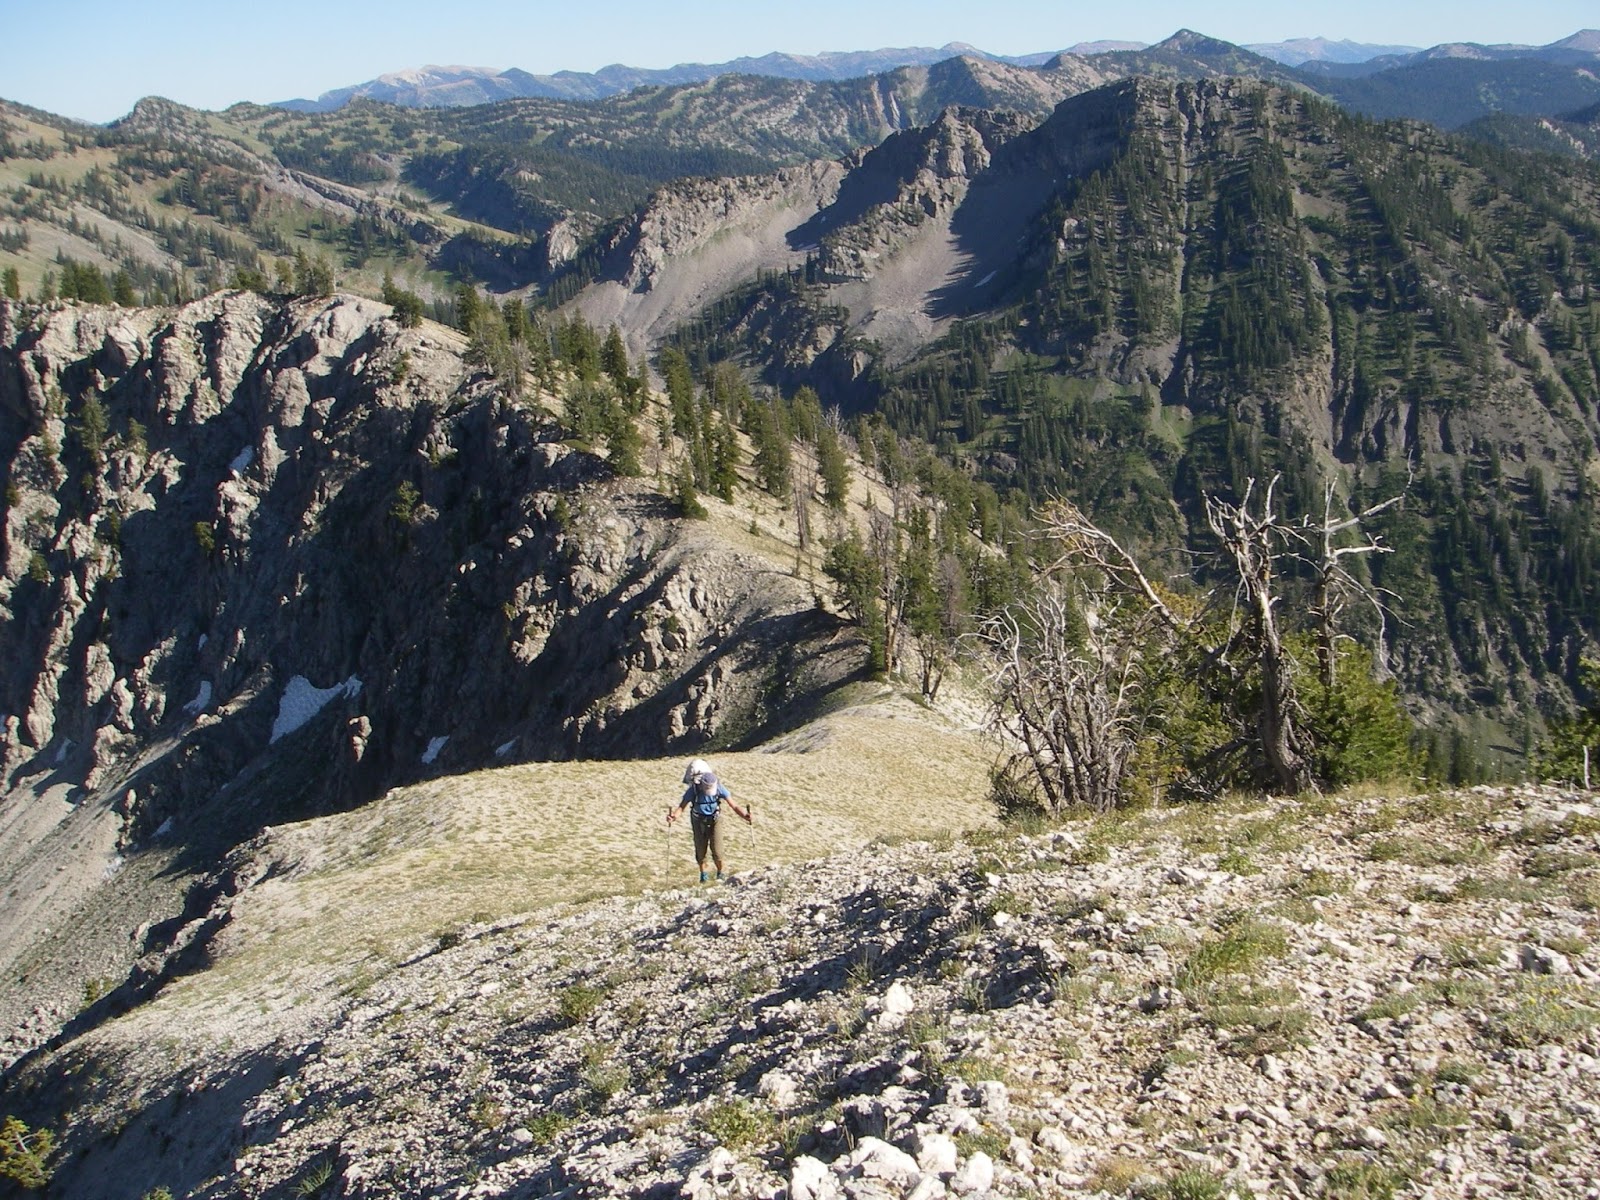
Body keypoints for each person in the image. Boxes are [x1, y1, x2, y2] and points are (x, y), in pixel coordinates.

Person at [667, 762, 751, 882]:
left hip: (715, 819)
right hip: (698, 820)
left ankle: (720, 873)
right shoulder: (693, 790)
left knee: (717, 850)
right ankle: (703, 875)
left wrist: (745, 815)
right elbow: (682, 807)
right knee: (700, 849)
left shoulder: (719, 788)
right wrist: (673, 817)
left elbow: (734, 805)